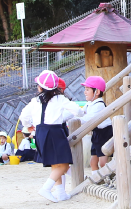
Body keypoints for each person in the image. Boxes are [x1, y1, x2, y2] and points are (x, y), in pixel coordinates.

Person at [19, 70, 84, 202]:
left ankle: (61, 193)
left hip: (40, 133)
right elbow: (77, 111)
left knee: (56, 164)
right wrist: (82, 113)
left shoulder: (35, 101)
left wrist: (29, 125)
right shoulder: (59, 99)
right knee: (64, 165)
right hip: (55, 132)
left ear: (40, 87)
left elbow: (23, 116)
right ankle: (46, 188)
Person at [81, 76, 113, 173]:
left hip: (104, 133)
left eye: (87, 90)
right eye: (85, 89)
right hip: (96, 133)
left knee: (103, 162)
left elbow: (88, 118)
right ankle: (96, 178)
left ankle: (107, 177)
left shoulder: (99, 104)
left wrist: (75, 120)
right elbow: (81, 113)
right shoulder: (89, 104)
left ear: (97, 92)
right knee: (93, 162)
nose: (85, 92)